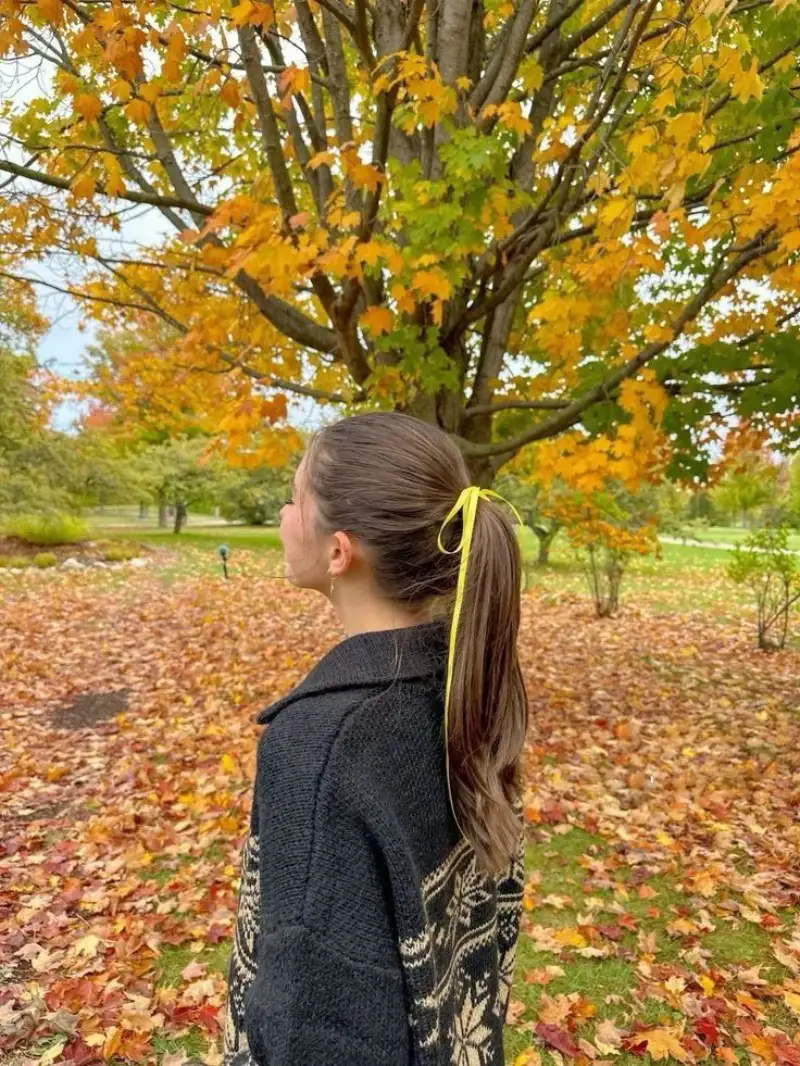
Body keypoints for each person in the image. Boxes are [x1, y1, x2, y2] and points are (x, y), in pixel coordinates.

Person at [222, 412, 529, 1066]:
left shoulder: (321, 751)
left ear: (339, 550)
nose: (282, 513)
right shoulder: (462, 683)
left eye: (295, 499)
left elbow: (313, 1025)